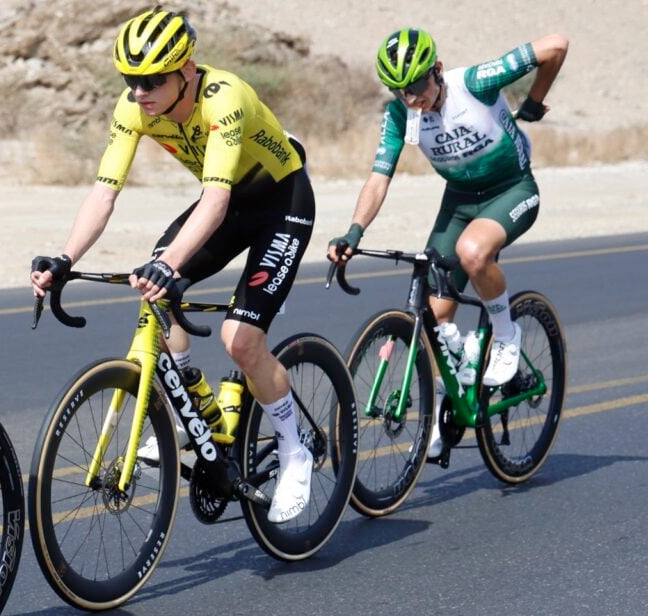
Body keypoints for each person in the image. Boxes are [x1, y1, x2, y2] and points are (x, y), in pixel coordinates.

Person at [29, 8, 318, 524]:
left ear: (186, 70)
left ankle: (295, 450)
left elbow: (215, 199)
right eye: (130, 80)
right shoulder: (134, 108)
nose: (139, 92)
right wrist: (67, 258)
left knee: (241, 341)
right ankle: (191, 408)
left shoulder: (224, 97)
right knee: (153, 290)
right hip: (225, 203)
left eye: (152, 81)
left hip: (280, 202)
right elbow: (104, 192)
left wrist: (172, 263)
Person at [327, 28, 568, 460]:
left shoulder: (475, 83)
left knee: (473, 253)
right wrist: (354, 231)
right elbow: (379, 179)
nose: (411, 98)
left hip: (512, 189)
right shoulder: (400, 115)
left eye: (417, 85)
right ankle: (448, 403)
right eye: (399, 90)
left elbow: (556, 46)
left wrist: (534, 101)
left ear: (437, 70)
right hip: (459, 202)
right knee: (433, 318)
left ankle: (506, 336)